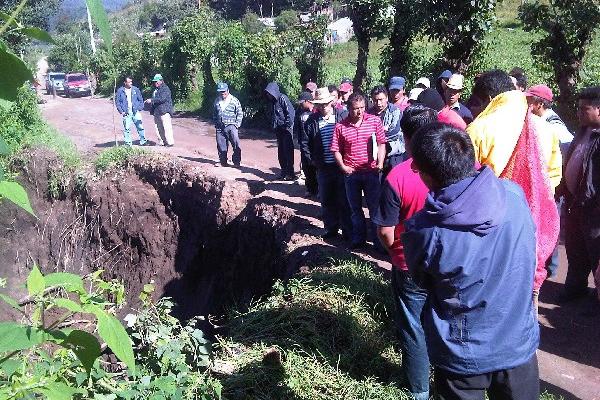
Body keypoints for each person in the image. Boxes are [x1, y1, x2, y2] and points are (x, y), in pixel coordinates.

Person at [403, 123, 540, 400]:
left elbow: (422, 280)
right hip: (517, 342)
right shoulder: (514, 196)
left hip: (462, 350)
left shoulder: (424, 230)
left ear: (427, 175)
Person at [466, 69, 560, 306]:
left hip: (494, 224)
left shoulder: (479, 129)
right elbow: (553, 175)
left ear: (488, 98)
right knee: (526, 293)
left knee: (496, 295)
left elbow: (466, 184)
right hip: (533, 222)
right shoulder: (542, 126)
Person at [373, 104, 438, 400]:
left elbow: (386, 231)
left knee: (414, 329)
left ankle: (419, 392)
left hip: (410, 265)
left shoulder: (398, 176)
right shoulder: (461, 166)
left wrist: (396, 255)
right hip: (450, 264)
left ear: (406, 138)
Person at [559, 86, 600, 303]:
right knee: (575, 250)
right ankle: (575, 289)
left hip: (594, 207)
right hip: (577, 203)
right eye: (578, 109)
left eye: (584, 109)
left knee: (597, 254)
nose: (579, 113)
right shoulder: (583, 131)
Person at [331, 92, 387, 250]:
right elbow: (335, 150)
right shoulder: (340, 126)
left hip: (371, 172)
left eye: (362, 108)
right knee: (355, 209)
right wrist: (343, 167)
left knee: (375, 208)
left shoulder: (374, 121)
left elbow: (382, 142)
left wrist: (380, 162)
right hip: (352, 174)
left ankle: (379, 243)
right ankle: (359, 239)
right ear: (349, 109)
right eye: (356, 108)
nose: (359, 111)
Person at [303, 87, 351, 239]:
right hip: (323, 167)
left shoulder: (342, 116)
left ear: (331, 102)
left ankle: (347, 231)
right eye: (320, 104)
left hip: (340, 166)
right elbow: (305, 143)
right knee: (327, 199)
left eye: (325, 103)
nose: (323, 107)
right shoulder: (311, 121)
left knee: (344, 199)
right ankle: (331, 229)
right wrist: (312, 160)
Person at [525, 84, 574, 155]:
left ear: (540, 104)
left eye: (529, 102)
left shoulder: (554, 124)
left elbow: (567, 147)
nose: (527, 105)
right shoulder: (542, 120)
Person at [368, 85, 404, 175]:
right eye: (375, 100)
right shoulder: (368, 113)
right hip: (375, 154)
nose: (378, 103)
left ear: (387, 98)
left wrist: (376, 132)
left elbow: (394, 131)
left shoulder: (395, 111)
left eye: (381, 99)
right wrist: (383, 129)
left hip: (393, 153)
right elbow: (366, 131)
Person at [265, 82, 296, 180]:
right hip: (279, 130)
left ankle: (290, 174)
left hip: (286, 130)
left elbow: (290, 113)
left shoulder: (283, 98)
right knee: (281, 152)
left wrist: (287, 126)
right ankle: (283, 172)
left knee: (288, 151)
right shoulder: (273, 102)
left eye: (269, 93)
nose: (268, 95)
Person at [213, 82, 243, 167]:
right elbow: (214, 113)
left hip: (231, 126)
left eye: (224, 91)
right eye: (221, 92)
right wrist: (216, 123)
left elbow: (239, 113)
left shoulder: (234, 100)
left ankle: (236, 162)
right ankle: (223, 162)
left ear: (228, 91)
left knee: (235, 144)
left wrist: (237, 125)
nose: (223, 93)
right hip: (220, 126)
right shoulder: (217, 101)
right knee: (221, 144)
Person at [295, 91, 317, 196]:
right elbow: (298, 126)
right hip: (304, 143)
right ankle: (309, 189)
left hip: (315, 143)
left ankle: (318, 190)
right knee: (306, 167)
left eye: (301, 102)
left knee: (316, 167)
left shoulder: (316, 111)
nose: (300, 104)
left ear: (307, 101)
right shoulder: (300, 111)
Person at [115, 76, 147, 146]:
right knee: (127, 128)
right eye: (129, 82)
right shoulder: (120, 91)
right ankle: (128, 143)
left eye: (131, 81)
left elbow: (141, 99)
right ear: (125, 83)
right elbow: (117, 102)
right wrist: (121, 111)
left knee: (140, 126)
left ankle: (143, 141)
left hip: (135, 111)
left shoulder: (136, 89)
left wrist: (140, 108)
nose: (131, 83)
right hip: (126, 112)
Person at [145, 73, 174, 147]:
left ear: (161, 81)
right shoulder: (156, 90)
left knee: (167, 127)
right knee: (158, 128)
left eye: (156, 81)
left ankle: (170, 143)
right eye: (154, 82)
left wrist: (151, 100)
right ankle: (163, 142)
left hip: (164, 111)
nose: (155, 83)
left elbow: (162, 99)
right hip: (157, 112)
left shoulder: (165, 89)